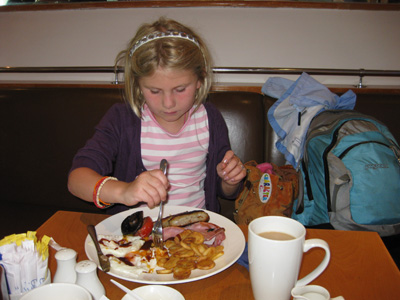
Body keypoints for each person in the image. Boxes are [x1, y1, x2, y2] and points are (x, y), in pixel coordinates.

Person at [67, 17, 246, 215]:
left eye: (180, 89)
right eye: (154, 90)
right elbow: (76, 180)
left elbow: (225, 191)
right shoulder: (122, 119)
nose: (168, 103)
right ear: (138, 84)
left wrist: (230, 179)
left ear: (199, 79)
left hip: (197, 232)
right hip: (136, 239)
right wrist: (125, 191)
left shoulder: (210, 119)